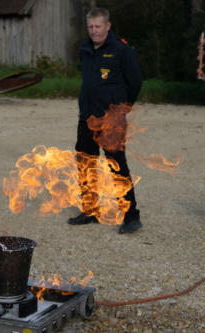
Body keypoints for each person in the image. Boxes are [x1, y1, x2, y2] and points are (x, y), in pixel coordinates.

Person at [67, 8, 143, 234]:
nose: (93, 31)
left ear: (107, 26)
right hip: (87, 118)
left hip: (111, 120)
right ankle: (90, 211)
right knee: (86, 164)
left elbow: (135, 81)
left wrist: (123, 108)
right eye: (90, 27)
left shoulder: (120, 48)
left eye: (98, 26)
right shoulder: (84, 48)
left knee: (117, 165)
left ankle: (131, 216)